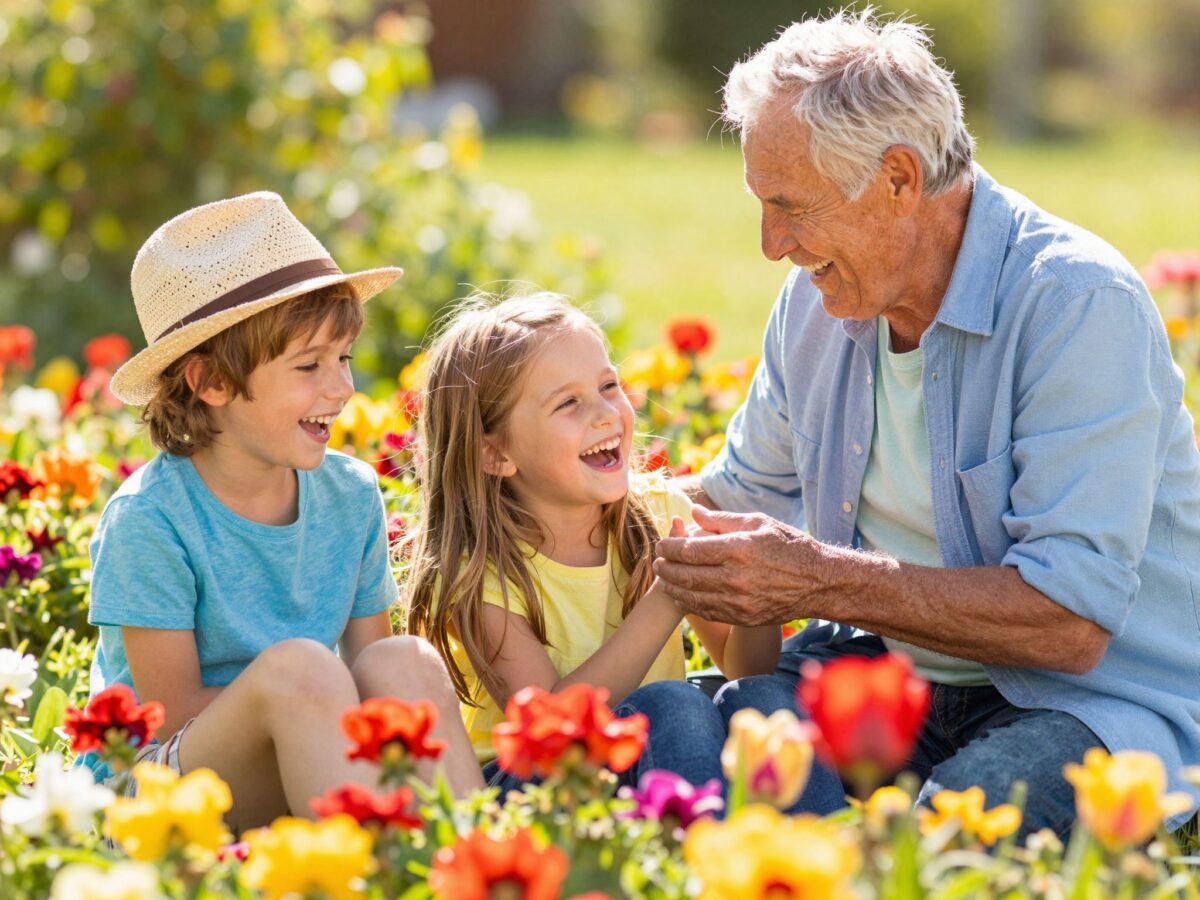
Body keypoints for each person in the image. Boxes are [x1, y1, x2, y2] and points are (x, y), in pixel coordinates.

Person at [651, 9, 1200, 838]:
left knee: (947, 842)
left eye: (790, 205)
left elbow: (1069, 620)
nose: (771, 244)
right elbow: (735, 498)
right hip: (891, 677)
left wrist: (816, 580)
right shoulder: (817, 302)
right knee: (681, 743)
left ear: (900, 179)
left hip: (1094, 703)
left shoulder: (1075, 304)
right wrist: (572, 498)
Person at [84, 192, 483, 830]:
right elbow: (171, 710)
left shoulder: (349, 495)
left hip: (310, 752)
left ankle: (475, 861)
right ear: (209, 383)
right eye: (309, 365)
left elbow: (371, 669)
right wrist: (312, 701)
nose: (343, 387)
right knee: (303, 668)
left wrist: (321, 706)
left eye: (344, 358)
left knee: (402, 660)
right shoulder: (149, 522)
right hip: (158, 795)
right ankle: (371, 864)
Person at [402, 293, 788, 795]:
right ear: (495, 452)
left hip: (646, 761)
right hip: (537, 790)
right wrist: (666, 598)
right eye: (569, 403)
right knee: (673, 704)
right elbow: (554, 728)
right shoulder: (479, 576)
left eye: (609, 385)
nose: (607, 414)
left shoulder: (656, 513)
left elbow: (745, 667)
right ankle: (703, 860)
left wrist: (760, 589)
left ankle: (817, 853)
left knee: (765, 699)